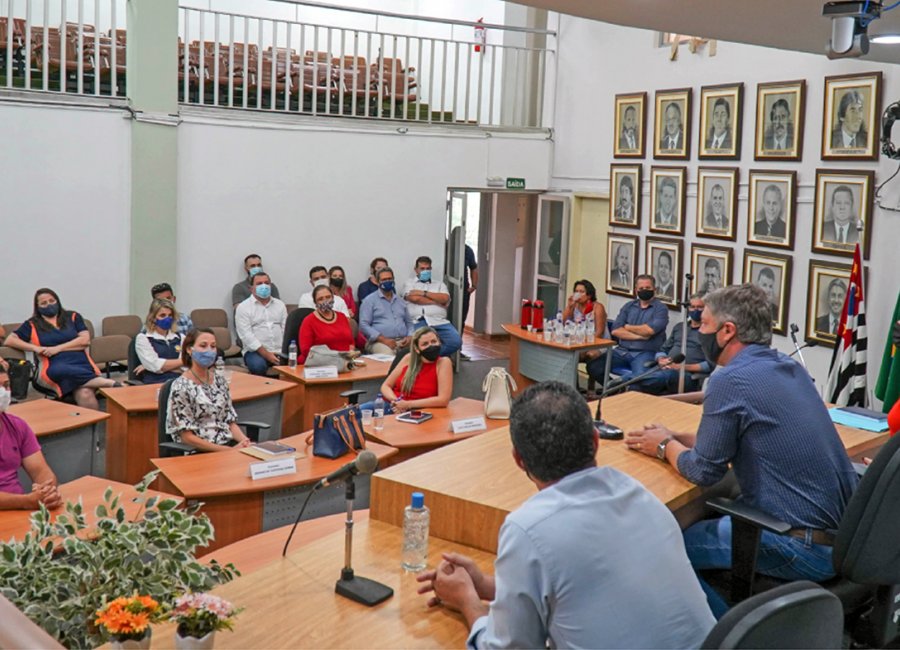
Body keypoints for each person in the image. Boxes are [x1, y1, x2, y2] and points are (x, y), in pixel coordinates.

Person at [416, 381, 715, 648]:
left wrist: (468, 601)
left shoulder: (529, 529)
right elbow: (584, 586)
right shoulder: (638, 494)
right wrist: (489, 586)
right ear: (596, 441)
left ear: (519, 460)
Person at [624, 284, 859, 618]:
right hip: (841, 539)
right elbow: (743, 436)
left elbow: (704, 471)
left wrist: (663, 446)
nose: (698, 330)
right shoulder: (788, 368)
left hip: (797, 544)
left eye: (703, 324)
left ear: (727, 331)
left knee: (661, 551)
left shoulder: (729, 379)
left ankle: (728, 634)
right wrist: (678, 437)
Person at [5, 289, 117, 409]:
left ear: (57, 301)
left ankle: (93, 427)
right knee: (61, 370)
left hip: (80, 362)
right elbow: (10, 340)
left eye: (52, 301)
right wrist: (35, 348)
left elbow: (85, 340)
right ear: (37, 307)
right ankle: (108, 383)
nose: (49, 304)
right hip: (51, 365)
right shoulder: (32, 324)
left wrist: (57, 348)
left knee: (85, 393)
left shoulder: (73, 316)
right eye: (44, 303)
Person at [165, 329, 252, 452]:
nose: (209, 351)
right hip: (199, 451)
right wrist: (226, 451)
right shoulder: (181, 387)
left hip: (227, 446)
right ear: (189, 350)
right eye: (203, 346)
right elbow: (186, 437)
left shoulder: (220, 381)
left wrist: (244, 441)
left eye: (213, 346)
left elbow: (229, 421)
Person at [586, 275, 668, 384]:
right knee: (593, 367)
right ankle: (615, 391)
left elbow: (649, 331)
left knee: (641, 379)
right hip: (621, 352)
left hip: (645, 353)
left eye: (648, 288)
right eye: (641, 288)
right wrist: (640, 336)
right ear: (636, 290)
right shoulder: (629, 306)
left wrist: (627, 327)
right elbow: (615, 330)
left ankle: (626, 392)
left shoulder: (661, 308)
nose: (644, 290)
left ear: (655, 289)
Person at [0, 367, 62, 510]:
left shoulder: (17, 426)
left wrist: (48, 492)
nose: (4, 392)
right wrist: (25, 501)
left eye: (6, 385)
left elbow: (41, 471)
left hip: (19, 511)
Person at [643, 293, 714, 395]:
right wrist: (661, 359)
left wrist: (681, 367)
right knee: (636, 386)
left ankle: (624, 381)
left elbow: (710, 365)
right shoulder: (680, 327)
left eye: (699, 307)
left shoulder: (710, 332)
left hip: (688, 375)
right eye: (692, 307)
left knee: (663, 376)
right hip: (665, 368)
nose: (695, 310)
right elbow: (663, 350)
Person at [373, 327, 452, 413]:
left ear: (439, 342)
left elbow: (443, 400)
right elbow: (386, 386)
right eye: (425, 344)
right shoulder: (408, 358)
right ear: (417, 349)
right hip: (392, 405)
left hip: (416, 411)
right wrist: (396, 402)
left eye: (434, 342)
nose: (431, 346)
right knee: (357, 414)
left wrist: (408, 404)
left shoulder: (443, 362)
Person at [403, 256, 462, 357]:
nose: (425, 271)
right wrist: (436, 301)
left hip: (439, 321)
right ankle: (429, 360)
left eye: (428, 269)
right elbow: (415, 299)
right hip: (418, 321)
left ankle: (430, 358)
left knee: (456, 342)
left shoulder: (439, 284)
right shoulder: (409, 283)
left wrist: (423, 292)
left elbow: (445, 299)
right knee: (415, 344)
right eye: (422, 269)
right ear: (416, 269)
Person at [234, 272, 287, 376]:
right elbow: (246, 336)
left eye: (267, 283)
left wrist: (283, 351)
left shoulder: (280, 305)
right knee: (258, 366)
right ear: (251, 288)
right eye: (259, 283)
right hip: (255, 352)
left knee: (296, 362)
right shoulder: (243, 307)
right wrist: (267, 354)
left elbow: (286, 329)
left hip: (279, 349)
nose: (264, 286)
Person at [359, 266, 413, 355]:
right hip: (379, 342)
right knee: (388, 356)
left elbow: (409, 323)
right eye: (384, 279)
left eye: (390, 279)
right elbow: (363, 325)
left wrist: (410, 336)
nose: (387, 281)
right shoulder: (369, 300)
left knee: (419, 353)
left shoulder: (400, 301)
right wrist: (383, 339)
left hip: (403, 341)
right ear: (377, 282)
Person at [297, 285, 355, 365]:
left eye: (328, 297)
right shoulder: (308, 321)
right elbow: (306, 350)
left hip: (344, 363)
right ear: (315, 302)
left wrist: (350, 355)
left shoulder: (342, 317)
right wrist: (331, 360)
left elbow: (351, 342)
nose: (325, 301)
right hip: (318, 365)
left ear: (333, 298)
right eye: (320, 299)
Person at [134, 298, 184, 384]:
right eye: (162, 315)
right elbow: (155, 366)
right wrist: (183, 361)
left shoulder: (181, 337)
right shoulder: (143, 338)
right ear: (153, 318)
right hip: (155, 383)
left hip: (179, 382)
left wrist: (153, 366)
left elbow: (187, 367)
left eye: (170, 315)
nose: (167, 318)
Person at [462, 244, 479, 326]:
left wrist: (474, 286)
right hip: (445, 287)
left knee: (461, 317)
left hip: (463, 288)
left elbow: (474, 268)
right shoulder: (445, 246)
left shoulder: (467, 250)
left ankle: (458, 337)